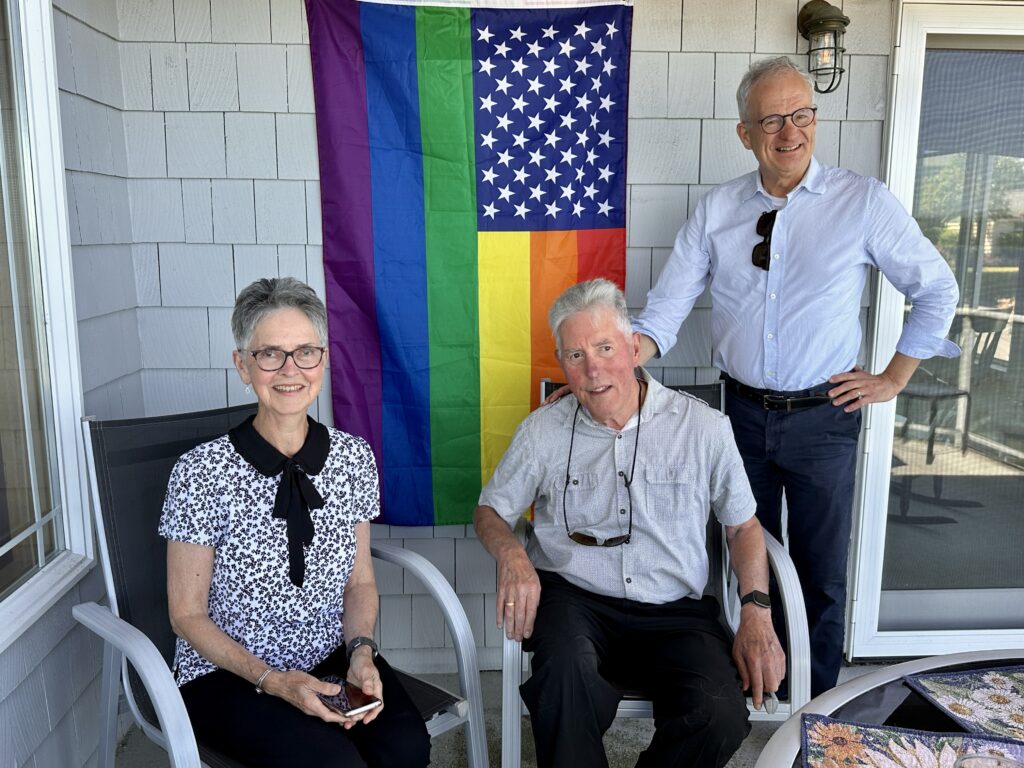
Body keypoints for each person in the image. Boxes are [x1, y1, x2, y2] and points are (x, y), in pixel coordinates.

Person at [631, 57, 960, 696]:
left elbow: (936, 289)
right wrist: (613, 361)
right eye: (772, 119)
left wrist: (893, 377)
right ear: (745, 132)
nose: (791, 131)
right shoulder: (718, 210)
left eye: (802, 114)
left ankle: (818, 706)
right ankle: (752, 692)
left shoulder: (861, 201)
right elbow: (665, 312)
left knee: (818, 571)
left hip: (824, 418)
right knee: (743, 563)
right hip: (739, 417)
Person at [474, 279, 786, 768]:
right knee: (563, 679)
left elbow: (743, 527)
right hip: (575, 601)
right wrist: (513, 555)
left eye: (604, 348)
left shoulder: (703, 428)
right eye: (575, 356)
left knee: (720, 712)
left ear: (634, 347)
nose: (593, 369)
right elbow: (490, 510)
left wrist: (757, 613)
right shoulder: (543, 431)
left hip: (675, 608)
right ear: (562, 365)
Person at [159, 277, 430, 768]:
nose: (290, 370)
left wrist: (362, 653)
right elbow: (186, 615)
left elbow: (360, 581)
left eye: (305, 352)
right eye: (270, 354)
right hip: (228, 675)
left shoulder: (352, 457)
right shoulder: (200, 472)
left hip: (329, 655)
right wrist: (273, 680)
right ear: (243, 365)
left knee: (407, 749)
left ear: (322, 362)